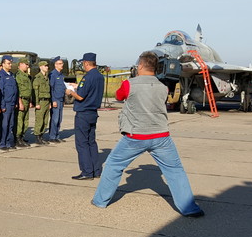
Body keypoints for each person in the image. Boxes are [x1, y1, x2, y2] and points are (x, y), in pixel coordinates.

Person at [91, 52, 204, 217]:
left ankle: (100, 201)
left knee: (113, 165)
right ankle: (189, 208)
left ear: (141, 66)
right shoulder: (163, 87)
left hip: (135, 136)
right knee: (175, 170)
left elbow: (118, 96)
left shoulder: (129, 84)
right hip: (161, 136)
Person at [66, 52, 103, 180]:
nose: (83, 65)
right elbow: (89, 90)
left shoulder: (88, 77)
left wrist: (71, 92)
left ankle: (87, 171)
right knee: (91, 142)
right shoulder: (99, 76)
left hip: (84, 113)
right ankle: (96, 170)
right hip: (93, 112)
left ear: (87, 63)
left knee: (82, 143)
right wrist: (78, 86)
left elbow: (81, 96)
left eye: (83, 63)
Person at [0, 55, 18, 150]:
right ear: (3, 64)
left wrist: (16, 101)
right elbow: (0, 92)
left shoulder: (11, 75)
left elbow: (15, 90)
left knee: (11, 124)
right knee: (4, 125)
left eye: (11, 63)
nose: (10, 65)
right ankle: (2, 143)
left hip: (12, 103)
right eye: (8, 63)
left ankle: (8, 142)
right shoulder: (1, 76)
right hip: (6, 104)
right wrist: (2, 105)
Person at [14, 58, 33, 146]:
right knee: (20, 120)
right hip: (21, 100)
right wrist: (20, 102)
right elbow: (18, 90)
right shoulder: (18, 76)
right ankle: (17, 138)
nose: (27, 66)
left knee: (25, 120)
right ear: (21, 64)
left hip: (27, 100)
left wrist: (30, 101)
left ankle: (21, 136)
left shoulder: (26, 76)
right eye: (26, 64)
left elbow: (28, 90)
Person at [32, 60, 51, 145]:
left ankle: (42, 135)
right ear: (40, 67)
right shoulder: (38, 78)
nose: (47, 67)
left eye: (47, 66)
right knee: (39, 120)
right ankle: (37, 136)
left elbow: (49, 91)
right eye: (45, 66)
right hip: (41, 101)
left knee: (45, 120)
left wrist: (50, 102)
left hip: (47, 101)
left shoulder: (47, 78)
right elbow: (36, 92)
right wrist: (36, 103)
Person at [48, 56, 66, 143]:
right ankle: (52, 136)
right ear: (55, 65)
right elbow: (51, 88)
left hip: (61, 99)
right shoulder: (53, 75)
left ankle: (57, 135)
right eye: (59, 64)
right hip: (56, 100)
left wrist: (63, 100)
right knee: (55, 119)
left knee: (59, 119)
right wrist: (53, 100)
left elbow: (62, 87)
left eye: (62, 63)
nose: (61, 65)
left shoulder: (61, 75)